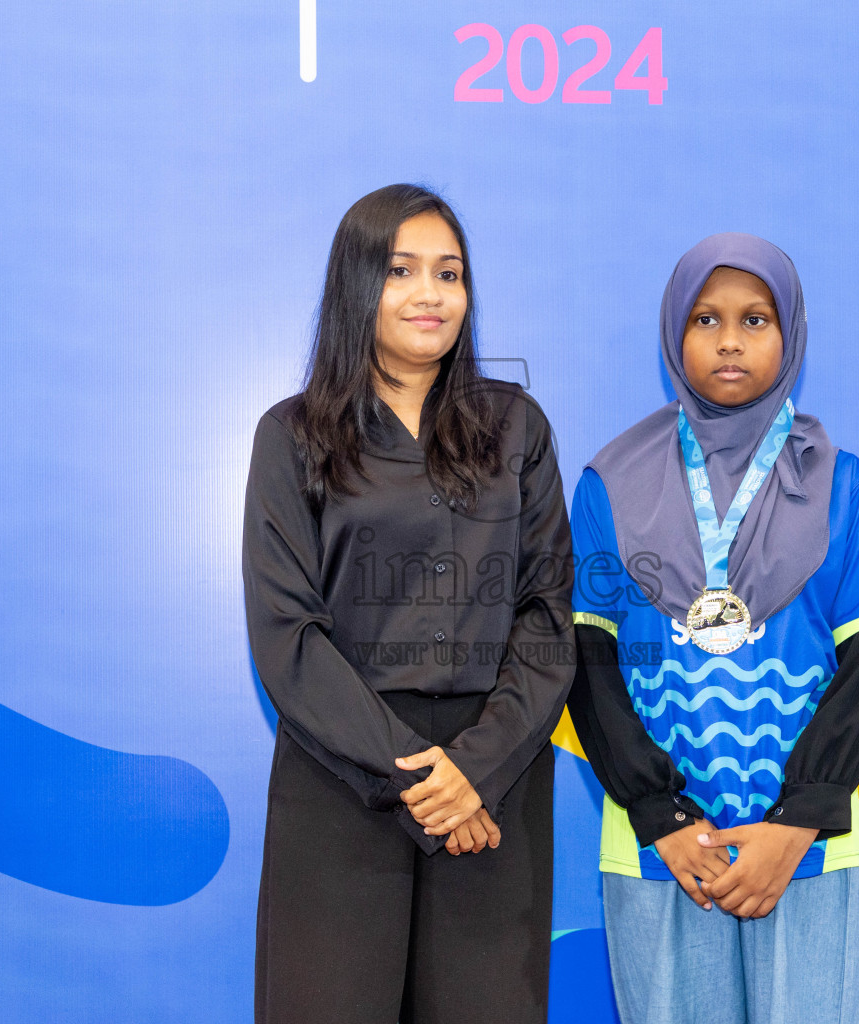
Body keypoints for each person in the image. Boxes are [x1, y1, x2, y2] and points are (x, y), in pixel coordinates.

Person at [242, 183, 574, 1024]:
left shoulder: (517, 427)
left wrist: (476, 771)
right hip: (341, 779)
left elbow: (545, 617)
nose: (431, 294)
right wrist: (421, 781)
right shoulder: (292, 435)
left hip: (490, 790)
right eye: (402, 270)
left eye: (450, 273)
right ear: (358, 285)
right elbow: (289, 636)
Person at [566, 234, 859, 1024]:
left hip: (807, 852)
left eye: (755, 320)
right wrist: (663, 818)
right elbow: (587, 663)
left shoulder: (843, 486)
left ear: (790, 336)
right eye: (705, 318)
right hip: (659, 855)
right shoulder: (608, 485)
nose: (728, 340)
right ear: (674, 335)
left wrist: (796, 824)